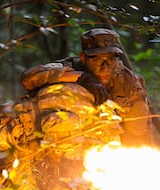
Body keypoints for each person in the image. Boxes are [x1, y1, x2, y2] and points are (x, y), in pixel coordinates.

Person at [20, 28, 153, 147]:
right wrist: (80, 77)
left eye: (111, 59)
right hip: (61, 140)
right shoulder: (70, 67)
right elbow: (28, 79)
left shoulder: (127, 81)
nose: (105, 67)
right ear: (83, 58)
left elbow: (140, 132)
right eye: (97, 59)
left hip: (106, 146)